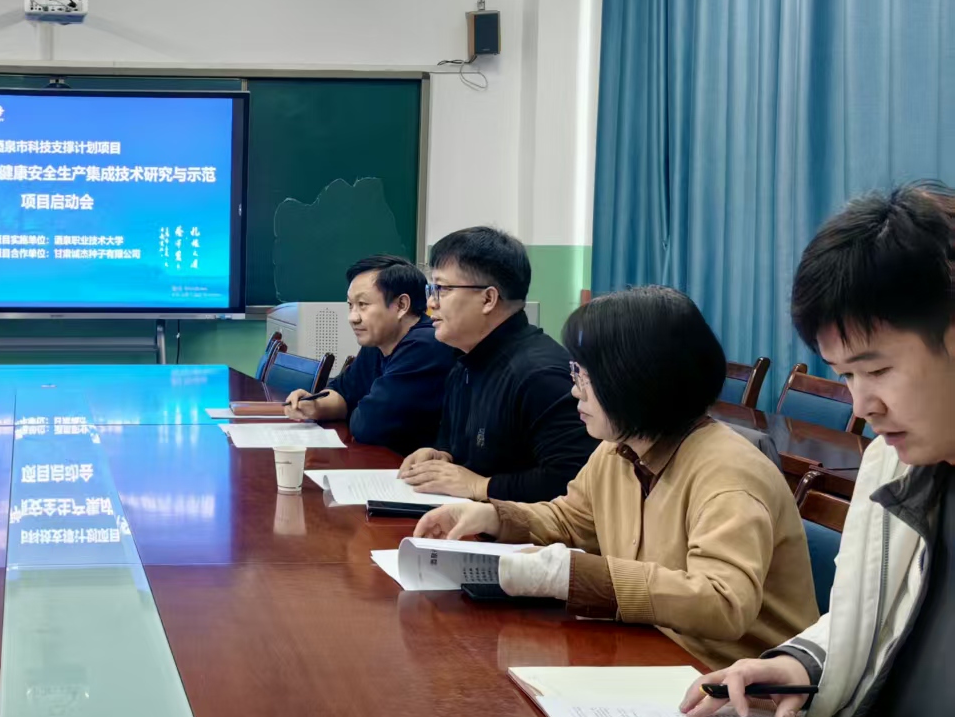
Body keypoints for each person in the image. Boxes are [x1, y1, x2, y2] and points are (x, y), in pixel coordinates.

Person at [684, 183, 955, 717]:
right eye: (845, 376)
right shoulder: (894, 466)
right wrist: (796, 664)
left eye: (877, 369)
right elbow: (878, 611)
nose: (863, 407)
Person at [413, 286, 818, 667]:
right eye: (575, 372)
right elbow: (570, 520)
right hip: (648, 652)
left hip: (730, 683)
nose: (575, 390)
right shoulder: (617, 450)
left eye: (584, 375)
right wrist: (493, 516)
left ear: (637, 379)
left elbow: (722, 601)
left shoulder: (729, 473)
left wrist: (574, 575)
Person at [399, 226, 596, 502]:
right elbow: (466, 452)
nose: (431, 302)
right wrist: (441, 457)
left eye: (442, 289)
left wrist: (483, 486)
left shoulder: (540, 375)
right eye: (432, 288)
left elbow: (572, 480)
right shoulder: (464, 362)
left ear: (488, 299)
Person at [283, 255, 456, 453]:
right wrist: (315, 406)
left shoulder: (426, 345)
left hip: (413, 466)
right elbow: (343, 392)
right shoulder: (378, 341)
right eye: (350, 305)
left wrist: (353, 408)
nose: (353, 317)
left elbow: (369, 425)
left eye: (363, 304)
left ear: (401, 305)